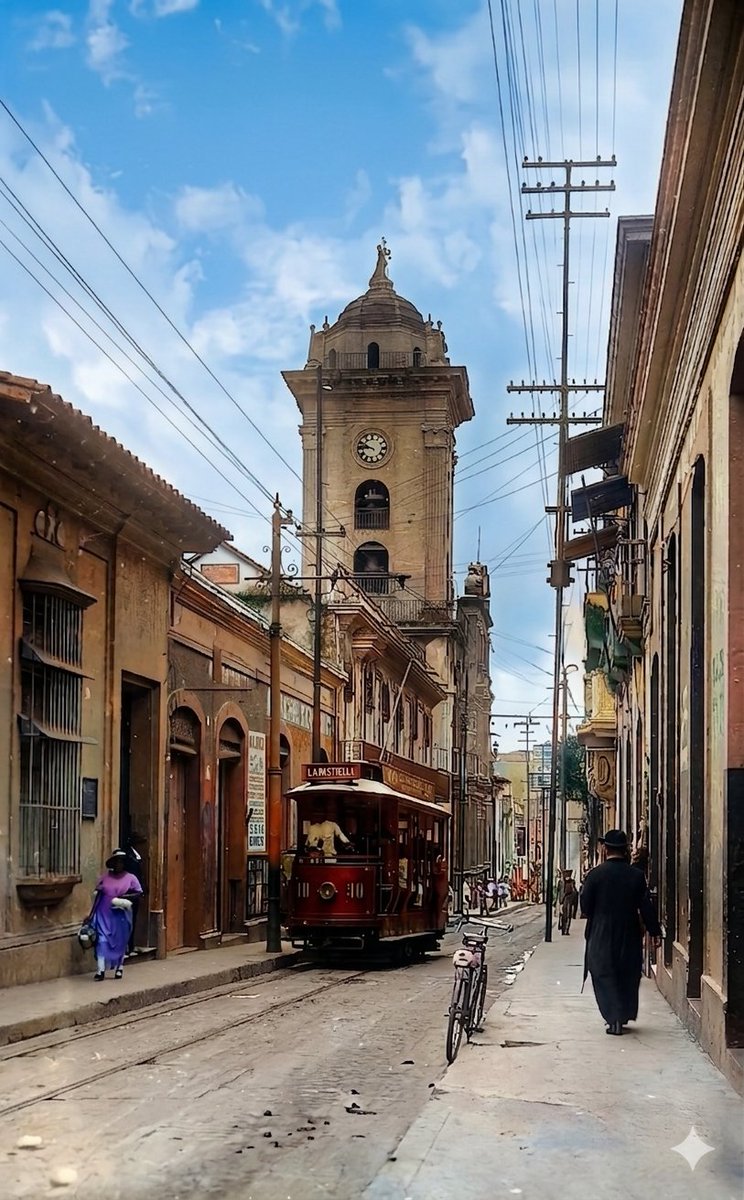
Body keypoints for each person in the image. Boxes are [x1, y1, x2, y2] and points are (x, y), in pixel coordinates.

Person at [580, 829, 662, 1035]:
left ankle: (612, 1017)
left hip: (601, 932)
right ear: (625, 850)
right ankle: (622, 1015)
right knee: (627, 973)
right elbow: (645, 906)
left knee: (602, 972)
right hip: (629, 932)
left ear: (605, 849)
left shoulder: (595, 875)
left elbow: (585, 908)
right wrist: (655, 931)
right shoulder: (636, 876)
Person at [90, 850, 143, 981]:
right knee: (101, 941)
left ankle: (119, 968)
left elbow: (139, 893)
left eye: (121, 861)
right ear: (113, 863)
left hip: (121, 914)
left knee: (120, 942)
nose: (119, 864)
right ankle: (100, 970)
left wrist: (124, 898)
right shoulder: (104, 877)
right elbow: (96, 895)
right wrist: (91, 913)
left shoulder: (131, 878)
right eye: (117, 861)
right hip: (103, 912)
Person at [557, 869, 578, 935]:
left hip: (569, 899)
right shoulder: (561, 883)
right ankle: (563, 930)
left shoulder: (572, 882)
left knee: (568, 915)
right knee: (563, 915)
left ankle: (566, 930)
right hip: (563, 900)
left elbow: (574, 891)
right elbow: (560, 892)